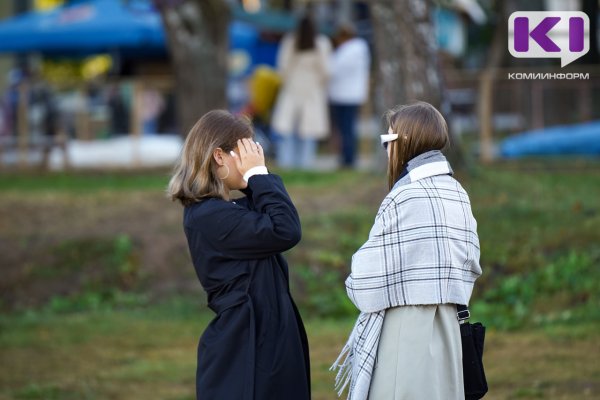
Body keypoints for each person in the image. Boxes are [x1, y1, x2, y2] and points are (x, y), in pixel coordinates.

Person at [331, 102, 482, 400]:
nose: (386, 150)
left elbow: (365, 282)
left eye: (388, 141)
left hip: (405, 330)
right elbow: (472, 264)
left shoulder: (405, 196)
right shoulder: (458, 192)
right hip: (449, 327)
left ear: (406, 142)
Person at [167, 110, 311, 400]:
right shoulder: (208, 216)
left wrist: (255, 181)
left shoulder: (227, 211)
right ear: (219, 156)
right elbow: (286, 230)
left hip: (264, 341)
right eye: (245, 153)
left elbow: (273, 216)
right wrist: (258, 176)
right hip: (246, 349)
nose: (253, 162)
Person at [271, 13, 331, 169]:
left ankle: (286, 162)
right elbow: (326, 71)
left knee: (288, 129)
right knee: (308, 131)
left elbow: (282, 67)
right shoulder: (322, 43)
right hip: (312, 91)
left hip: (292, 88)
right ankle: (305, 164)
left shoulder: (290, 41)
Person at [328, 22, 370, 168]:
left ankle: (348, 159)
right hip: (353, 94)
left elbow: (333, 70)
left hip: (343, 95)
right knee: (348, 128)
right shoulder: (360, 50)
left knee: (345, 129)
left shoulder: (348, 51)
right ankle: (348, 157)